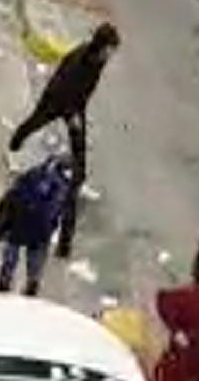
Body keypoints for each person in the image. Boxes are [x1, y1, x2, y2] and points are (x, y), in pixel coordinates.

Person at [7, 23, 119, 257]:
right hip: (59, 103)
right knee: (36, 121)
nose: (112, 54)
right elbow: (64, 88)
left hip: (75, 107)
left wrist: (77, 112)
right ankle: (17, 140)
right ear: (102, 47)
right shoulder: (80, 63)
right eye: (111, 49)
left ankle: (66, 239)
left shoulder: (97, 61)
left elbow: (82, 91)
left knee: (78, 165)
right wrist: (73, 116)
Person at [0, 154, 73, 295]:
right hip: (39, 232)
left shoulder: (33, 174)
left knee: (10, 260)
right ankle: (29, 289)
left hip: (18, 225)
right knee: (34, 265)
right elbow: (61, 215)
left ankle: (4, 286)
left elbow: (9, 199)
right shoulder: (62, 187)